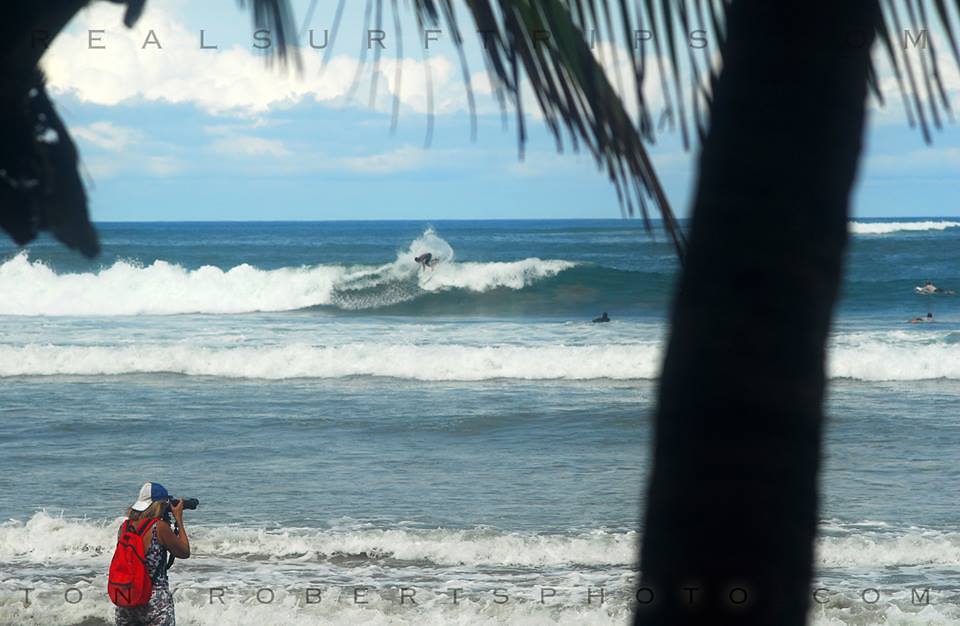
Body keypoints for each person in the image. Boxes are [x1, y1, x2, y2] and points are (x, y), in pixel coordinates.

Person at [115, 482, 191, 626]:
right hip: (154, 602)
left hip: (127, 598)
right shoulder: (159, 528)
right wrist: (179, 519)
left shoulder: (124, 527)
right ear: (160, 505)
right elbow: (184, 552)